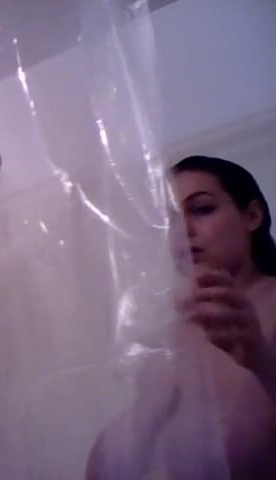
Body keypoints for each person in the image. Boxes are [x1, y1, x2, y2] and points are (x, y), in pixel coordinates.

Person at [86, 156, 276, 480]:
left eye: (201, 210)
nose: (183, 230)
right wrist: (143, 417)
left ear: (252, 216)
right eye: (170, 219)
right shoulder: (171, 334)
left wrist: (264, 362)